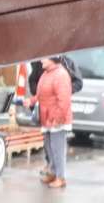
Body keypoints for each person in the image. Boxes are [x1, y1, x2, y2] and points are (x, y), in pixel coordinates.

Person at [23, 56, 72, 188]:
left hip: (56, 119)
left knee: (58, 148)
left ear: (53, 59)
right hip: (47, 118)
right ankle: (54, 173)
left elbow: (64, 100)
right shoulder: (48, 73)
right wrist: (31, 101)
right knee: (50, 148)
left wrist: (59, 119)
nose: (41, 60)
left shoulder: (60, 75)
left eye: (45, 58)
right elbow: (41, 93)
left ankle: (61, 177)